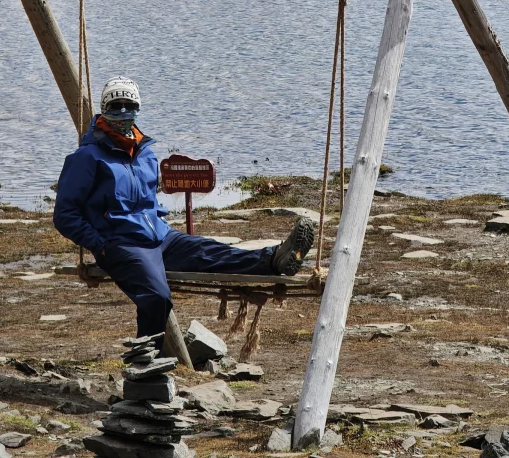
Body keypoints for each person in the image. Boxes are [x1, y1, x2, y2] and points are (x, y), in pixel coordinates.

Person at [53, 75, 315, 340]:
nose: (123, 113)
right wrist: (101, 245)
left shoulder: (145, 153)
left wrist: (158, 221)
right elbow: (65, 215)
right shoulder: (86, 158)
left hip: (160, 237)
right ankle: (148, 359)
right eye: (115, 106)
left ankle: (274, 259)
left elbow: (147, 200)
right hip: (122, 244)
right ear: (104, 109)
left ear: (138, 109)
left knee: (210, 252)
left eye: (129, 106)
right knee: (157, 297)